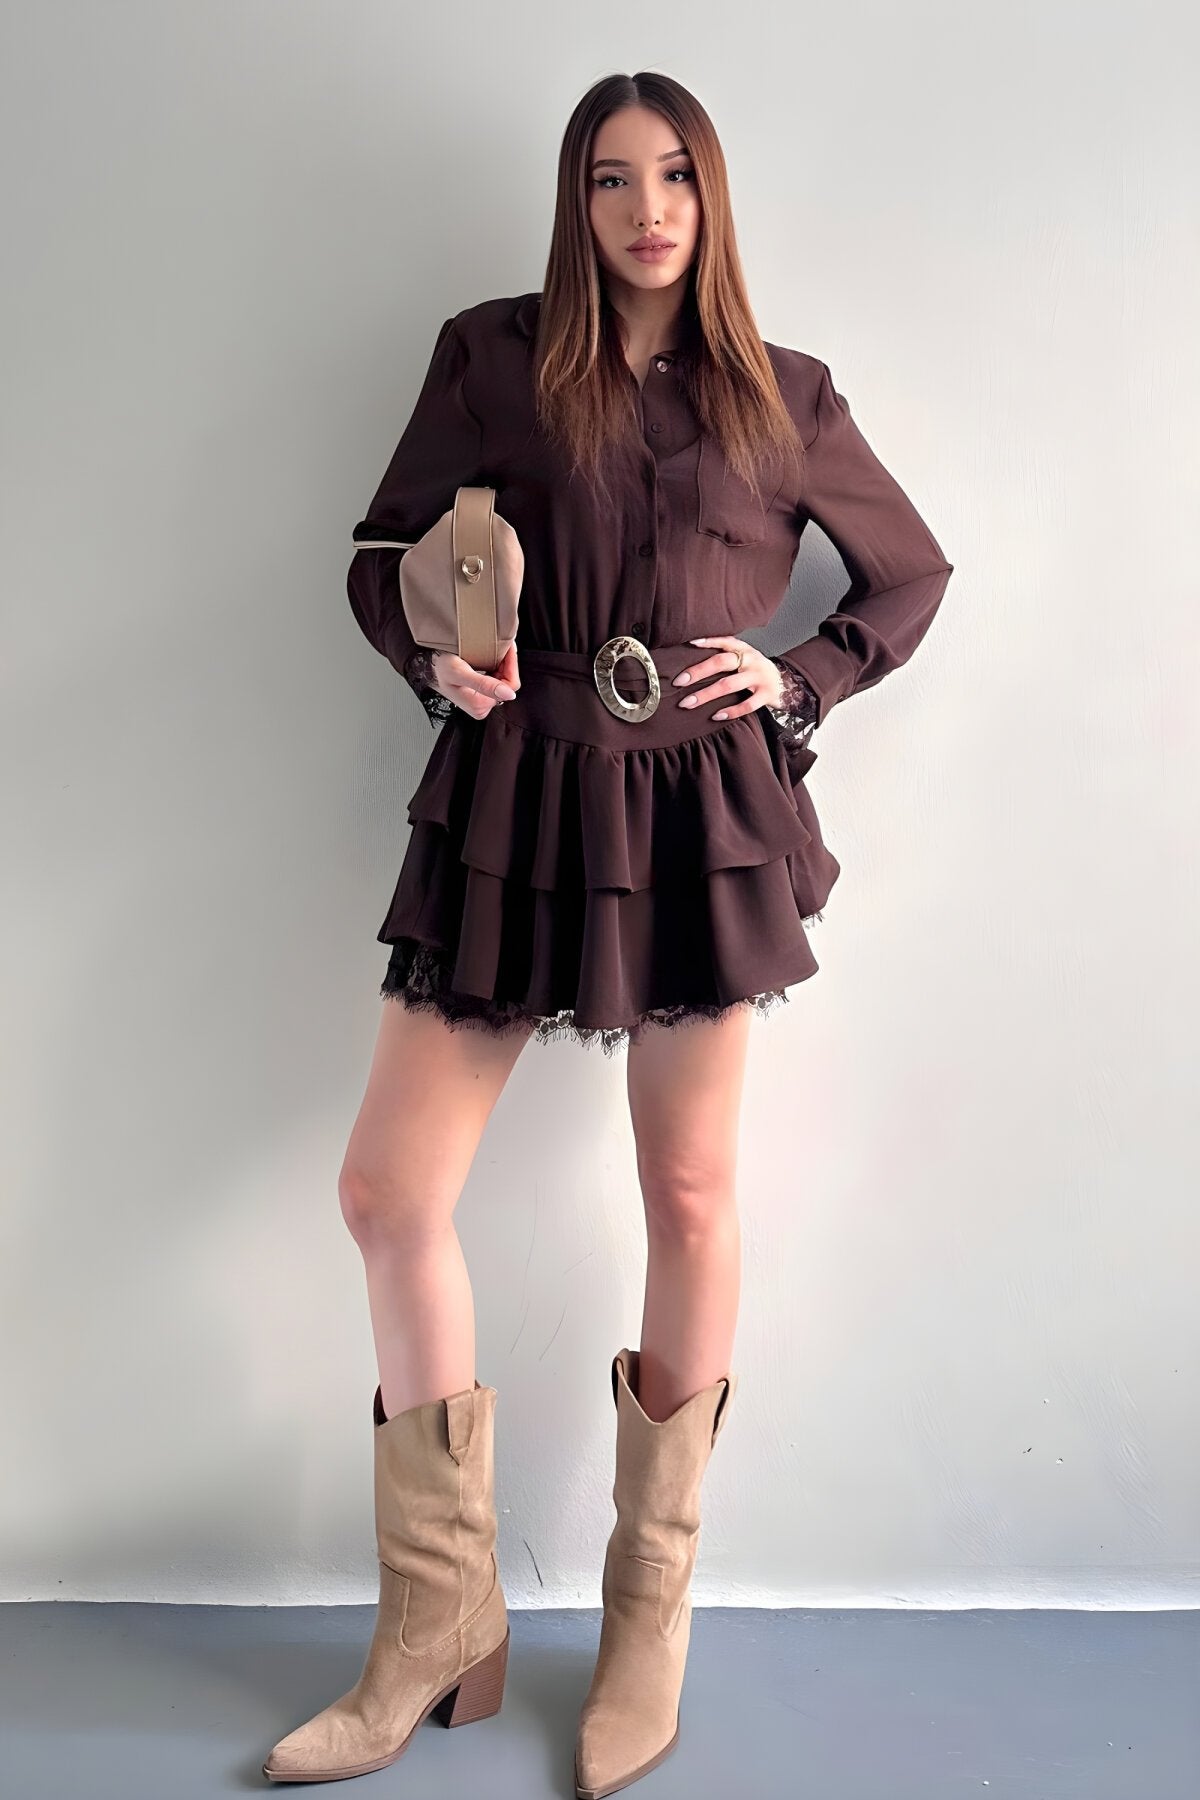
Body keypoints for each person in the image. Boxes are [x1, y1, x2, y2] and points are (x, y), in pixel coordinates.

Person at [263, 69, 954, 1797]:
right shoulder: (491, 358)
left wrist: (799, 680)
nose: (648, 211)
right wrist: (432, 656)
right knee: (387, 1190)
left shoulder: (785, 392)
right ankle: (439, 1621)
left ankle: (648, 1622)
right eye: (610, 180)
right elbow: (379, 550)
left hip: (700, 811)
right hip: (518, 791)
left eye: (675, 178)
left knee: (691, 1190)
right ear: (574, 203)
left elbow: (910, 576)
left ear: (712, 198)